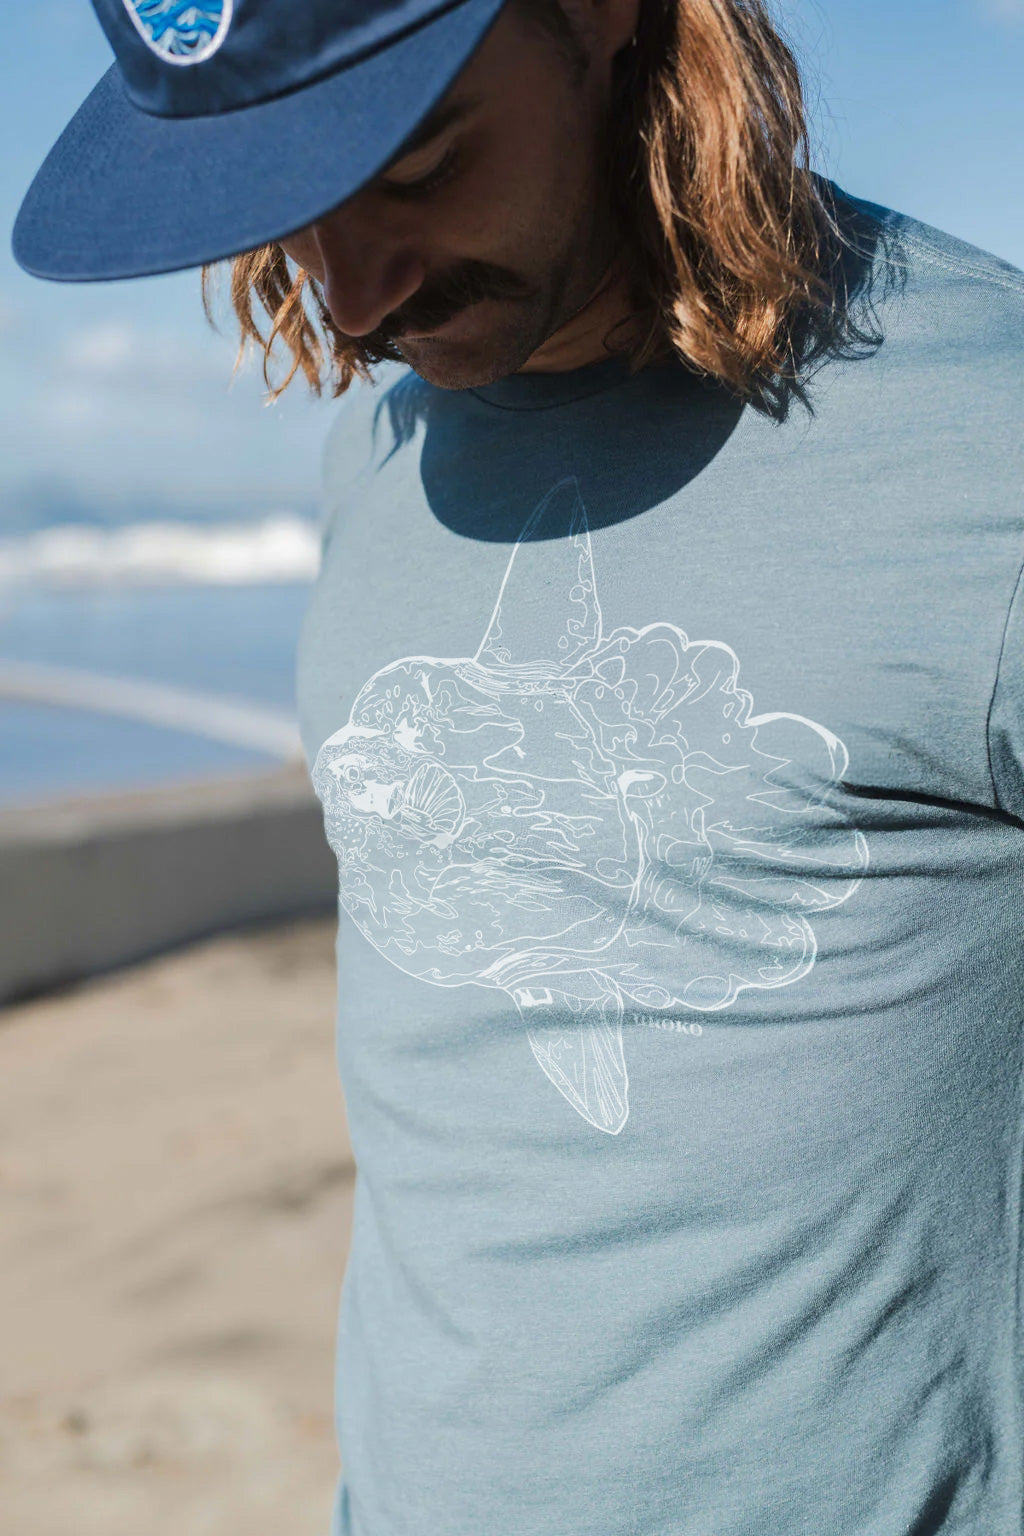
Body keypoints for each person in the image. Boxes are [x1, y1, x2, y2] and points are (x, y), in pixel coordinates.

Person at [14, 1, 1024, 1532]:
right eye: (284, 203)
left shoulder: (982, 445)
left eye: (418, 163)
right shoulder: (379, 459)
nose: (352, 295)